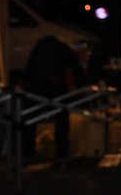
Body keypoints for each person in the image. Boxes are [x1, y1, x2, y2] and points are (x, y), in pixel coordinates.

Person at [22, 33, 87, 164]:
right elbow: (75, 65)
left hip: (36, 86)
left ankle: (27, 152)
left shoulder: (37, 49)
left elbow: (29, 70)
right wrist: (82, 85)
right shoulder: (62, 48)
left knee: (30, 119)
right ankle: (61, 152)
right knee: (62, 118)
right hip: (56, 86)